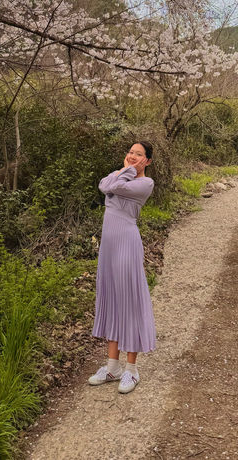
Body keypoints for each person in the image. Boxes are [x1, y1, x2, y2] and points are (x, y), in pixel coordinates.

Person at [88, 141, 156, 394]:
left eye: (139, 155)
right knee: (113, 300)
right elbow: (104, 186)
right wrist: (123, 171)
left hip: (127, 243)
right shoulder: (119, 176)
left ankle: (131, 370)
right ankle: (112, 366)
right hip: (109, 247)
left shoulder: (144, 184)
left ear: (147, 161)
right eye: (130, 153)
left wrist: (125, 170)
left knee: (129, 302)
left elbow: (113, 186)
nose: (133, 157)